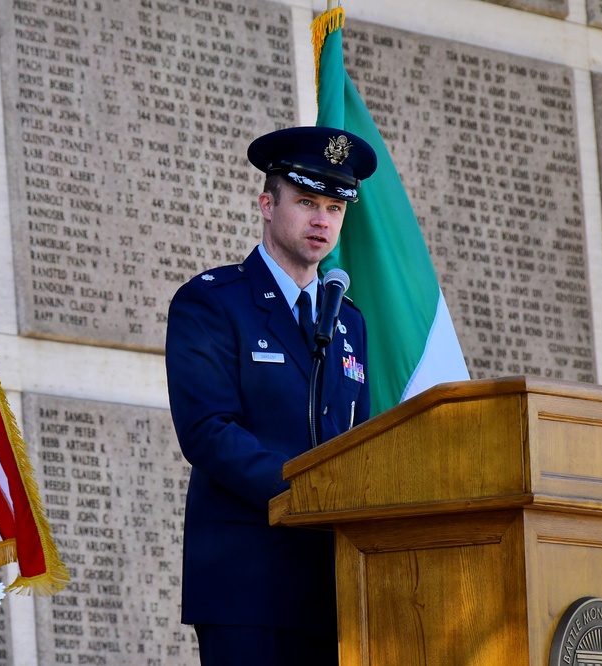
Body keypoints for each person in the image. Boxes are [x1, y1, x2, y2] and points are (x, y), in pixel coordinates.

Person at [165, 126, 378, 665]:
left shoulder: (348, 321)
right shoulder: (212, 303)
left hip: (339, 587)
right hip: (249, 584)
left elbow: (363, 441)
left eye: (334, 207)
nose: (321, 220)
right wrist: (309, 494)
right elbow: (208, 432)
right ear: (266, 204)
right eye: (306, 201)